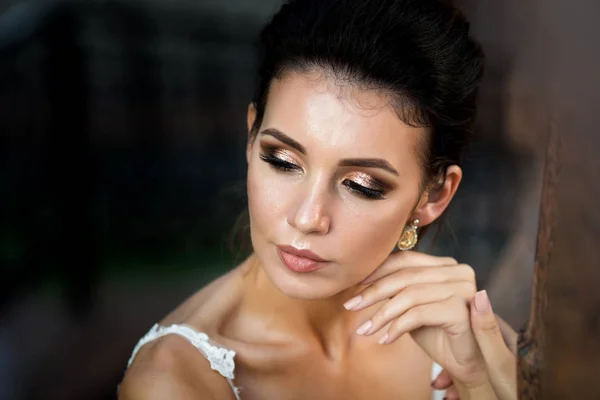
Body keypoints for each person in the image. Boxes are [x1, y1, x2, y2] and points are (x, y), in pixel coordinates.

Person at [119, 0, 518, 398]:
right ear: (251, 138)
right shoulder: (174, 381)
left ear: (433, 195)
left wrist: (476, 382)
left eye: (362, 185)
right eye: (283, 161)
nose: (309, 217)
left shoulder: (461, 339)